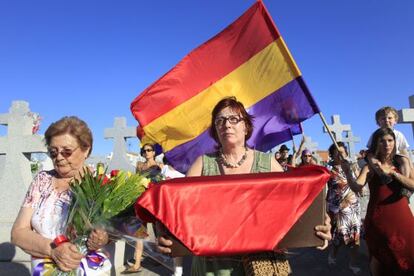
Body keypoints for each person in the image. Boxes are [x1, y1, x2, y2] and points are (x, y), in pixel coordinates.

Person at [157, 96, 332, 275]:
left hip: (260, 266)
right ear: (215, 129)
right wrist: (166, 237)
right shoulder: (202, 164)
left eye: (234, 119)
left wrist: (318, 225)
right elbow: (179, 212)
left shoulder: (268, 163)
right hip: (212, 268)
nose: (227, 124)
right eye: (220, 120)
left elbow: (293, 208)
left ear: (246, 126)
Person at [11, 116, 111, 274]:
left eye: (67, 151)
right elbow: (18, 233)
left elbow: (112, 230)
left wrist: (102, 238)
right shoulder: (41, 181)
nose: (59, 157)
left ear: (86, 150)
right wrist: (53, 250)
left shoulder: (100, 183)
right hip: (44, 270)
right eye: (53, 152)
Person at [341, 128, 414, 275]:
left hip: (402, 217)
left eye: (390, 140)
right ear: (376, 143)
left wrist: (393, 173)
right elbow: (356, 187)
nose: (387, 144)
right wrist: (348, 172)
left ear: (395, 142)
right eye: (382, 141)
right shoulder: (370, 167)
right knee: (379, 257)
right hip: (379, 217)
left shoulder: (401, 163)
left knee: (409, 254)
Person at [123, 143, 164, 273]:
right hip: (141, 200)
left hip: (153, 201)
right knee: (140, 231)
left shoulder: (160, 166)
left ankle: (159, 258)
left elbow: (158, 184)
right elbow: (136, 182)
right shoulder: (139, 166)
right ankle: (137, 263)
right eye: (144, 150)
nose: (146, 152)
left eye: (149, 150)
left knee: (158, 231)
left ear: (154, 152)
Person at [326, 142, 361, 274]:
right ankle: (332, 255)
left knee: (355, 237)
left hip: (353, 206)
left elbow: (359, 183)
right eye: (337, 152)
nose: (340, 154)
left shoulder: (352, 166)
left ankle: (352, 263)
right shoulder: (328, 169)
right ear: (332, 154)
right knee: (339, 237)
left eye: (342, 151)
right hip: (338, 208)